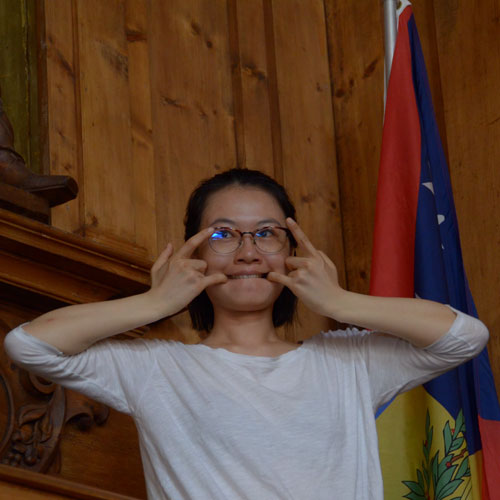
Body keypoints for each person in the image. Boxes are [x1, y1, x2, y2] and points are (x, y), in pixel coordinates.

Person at [4, 168, 489, 500]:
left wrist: (339, 302)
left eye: (266, 233)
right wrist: (155, 303)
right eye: (222, 234)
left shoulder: (350, 363)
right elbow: (29, 344)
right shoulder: (158, 367)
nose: (247, 252)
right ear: (194, 255)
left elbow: (464, 335)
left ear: (292, 250)